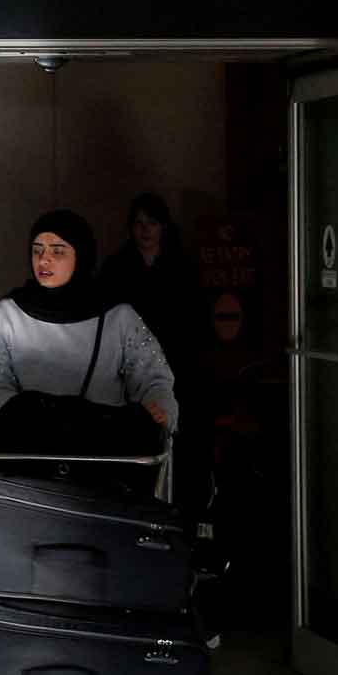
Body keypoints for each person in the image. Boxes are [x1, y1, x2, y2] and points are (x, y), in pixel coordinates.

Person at [0, 209, 178, 460]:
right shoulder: (9, 314)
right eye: (37, 250)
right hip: (28, 453)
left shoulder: (116, 316)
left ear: (81, 255)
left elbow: (153, 378)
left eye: (57, 250)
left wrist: (158, 409)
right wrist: (21, 423)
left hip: (104, 455)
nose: (44, 260)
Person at [99, 193, 211, 512]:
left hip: (178, 364)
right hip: (130, 367)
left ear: (164, 227)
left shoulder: (181, 266)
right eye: (138, 223)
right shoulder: (117, 267)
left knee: (178, 438)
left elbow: (197, 319)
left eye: (152, 223)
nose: (145, 230)